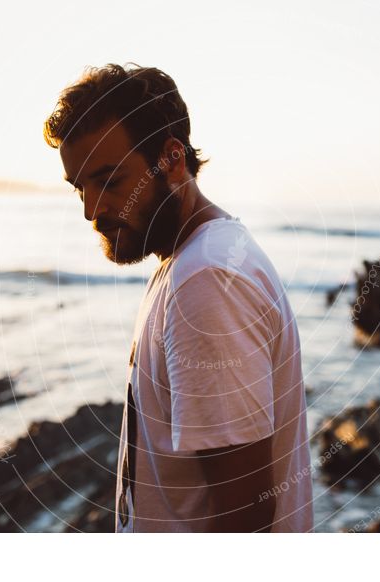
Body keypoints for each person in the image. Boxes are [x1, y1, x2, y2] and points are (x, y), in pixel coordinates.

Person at [43, 63, 313, 532]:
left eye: (109, 181)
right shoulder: (190, 261)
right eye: (79, 188)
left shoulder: (205, 283)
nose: (92, 210)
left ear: (171, 158)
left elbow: (244, 522)